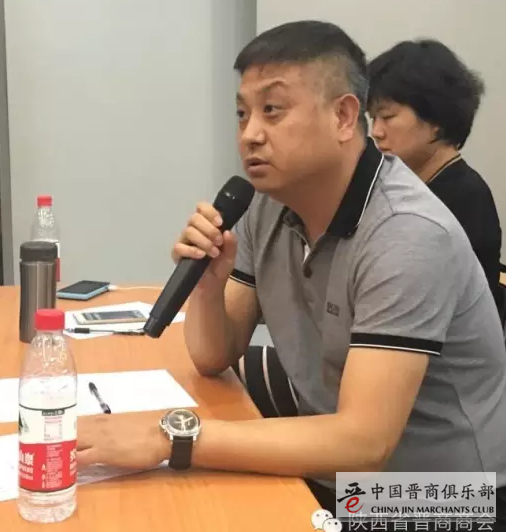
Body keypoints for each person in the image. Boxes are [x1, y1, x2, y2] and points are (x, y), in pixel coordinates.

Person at [76, 21, 506, 525]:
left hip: (441, 493)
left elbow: (363, 444)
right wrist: (210, 285)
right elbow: (214, 355)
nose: (250, 134)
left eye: (273, 110)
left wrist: (171, 436)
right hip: (339, 464)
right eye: (242, 113)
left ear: (344, 116)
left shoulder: (408, 232)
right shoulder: (267, 204)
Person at [368, 39, 504, 324]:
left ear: (436, 120)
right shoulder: (409, 184)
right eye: (373, 118)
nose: (376, 131)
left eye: (387, 116)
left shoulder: (464, 196)